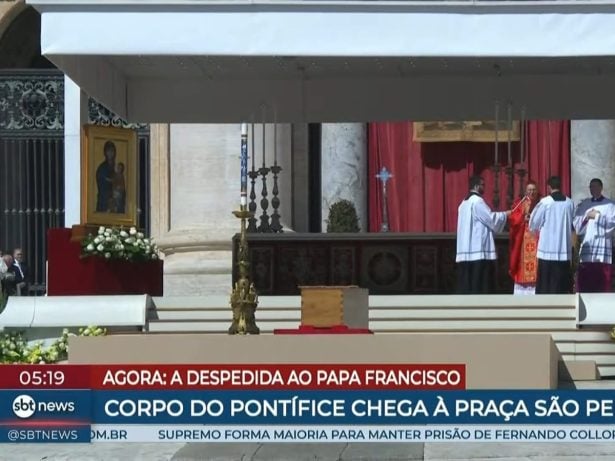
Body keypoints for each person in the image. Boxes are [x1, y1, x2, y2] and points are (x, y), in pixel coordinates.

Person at [456, 175, 510, 294]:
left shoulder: (463, 203)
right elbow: (490, 218)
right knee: (480, 284)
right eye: (482, 185)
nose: (484, 187)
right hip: (478, 250)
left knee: (467, 284)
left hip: (465, 249)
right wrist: (506, 214)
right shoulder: (477, 201)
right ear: (476, 186)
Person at [528, 176, 574, 294]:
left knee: (546, 282)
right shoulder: (569, 202)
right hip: (563, 249)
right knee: (561, 282)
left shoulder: (545, 202)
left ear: (549, 187)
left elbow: (534, 223)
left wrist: (534, 230)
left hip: (547, 249)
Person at [573, 178, 614, 292]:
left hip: (602, 244)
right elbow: (577, 226)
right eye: (591, 187)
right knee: (587, 276)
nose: (593, 189)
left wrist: (597, 216)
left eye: (595, 186)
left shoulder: (610, 205)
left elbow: (612, 224)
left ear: (601, 188)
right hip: (588, 243)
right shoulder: (585, 204)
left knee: (602, 277)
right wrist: (587, 217)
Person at [508, 181, 541, 295]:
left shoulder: (541, 203)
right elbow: (513, 219)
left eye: (533, 190)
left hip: (537, 238)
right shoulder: (520, 203)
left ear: (537, 191)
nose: (531, 192)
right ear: (526, 191)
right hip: (523, 239)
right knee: (522, 264)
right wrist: (523, 217)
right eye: (529, 190)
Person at [96, 140, 117, 212]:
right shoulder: (102, 167)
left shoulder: (115, 166)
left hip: (113, 199)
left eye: (112, 151)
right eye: (108, 151)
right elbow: (101, 182)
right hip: (104, 200)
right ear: (105, 152)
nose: (110, 153)